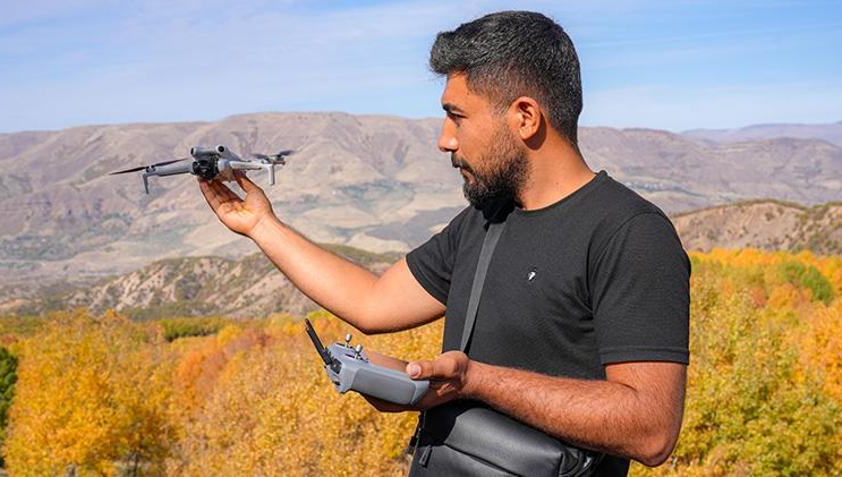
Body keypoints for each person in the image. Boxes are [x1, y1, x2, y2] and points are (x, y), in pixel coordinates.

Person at [199, 10, 689, 476]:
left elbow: (650, 429)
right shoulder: (485, 218)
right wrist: (261, 225)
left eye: (457, 116)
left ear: (525, 117)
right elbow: (373, 303)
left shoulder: (630, 233)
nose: (445, 140)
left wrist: (475, 381)